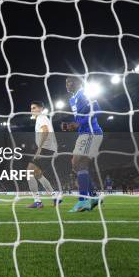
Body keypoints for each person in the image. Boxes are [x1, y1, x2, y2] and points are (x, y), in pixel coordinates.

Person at [62, 77, 103, 212]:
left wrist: (79, 123)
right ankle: (94, 197)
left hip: (92, 132)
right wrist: (70, 125)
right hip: (83, 134)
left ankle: (83, 201)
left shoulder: (84, 93)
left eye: (70, 82)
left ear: (78, 83)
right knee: (75, 164)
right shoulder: (72, 99)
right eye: (66, 83)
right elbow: (80, 118)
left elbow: (97, 111)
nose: (67, 85)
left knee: (80, 162)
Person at [27, 101, 60, 208]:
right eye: (31, 108)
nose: (32, 110)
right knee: (37, 174)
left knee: (29, 171)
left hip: (46, 148)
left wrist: (39, 149)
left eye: (34, 108)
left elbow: (45, 131)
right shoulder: (41, 118)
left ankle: (38, 201)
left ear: (41, 108)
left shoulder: (41, 118)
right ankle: (55, 196)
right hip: (49, 149)